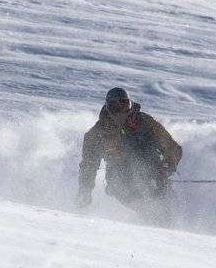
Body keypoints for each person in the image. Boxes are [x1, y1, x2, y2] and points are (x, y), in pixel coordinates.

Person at [77, 87, 183, 224]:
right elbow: (88, 164)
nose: (120, 112)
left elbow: (172, 148)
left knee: (172, 210)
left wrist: (166, 168)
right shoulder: (97, 134)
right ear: (108, 108)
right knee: (152, 212)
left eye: (124, 105)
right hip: (122, 184)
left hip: (155, 176)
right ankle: (148, 227)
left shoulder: (145, 122)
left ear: (130, 105)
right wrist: (85, 189)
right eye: (114, 107)